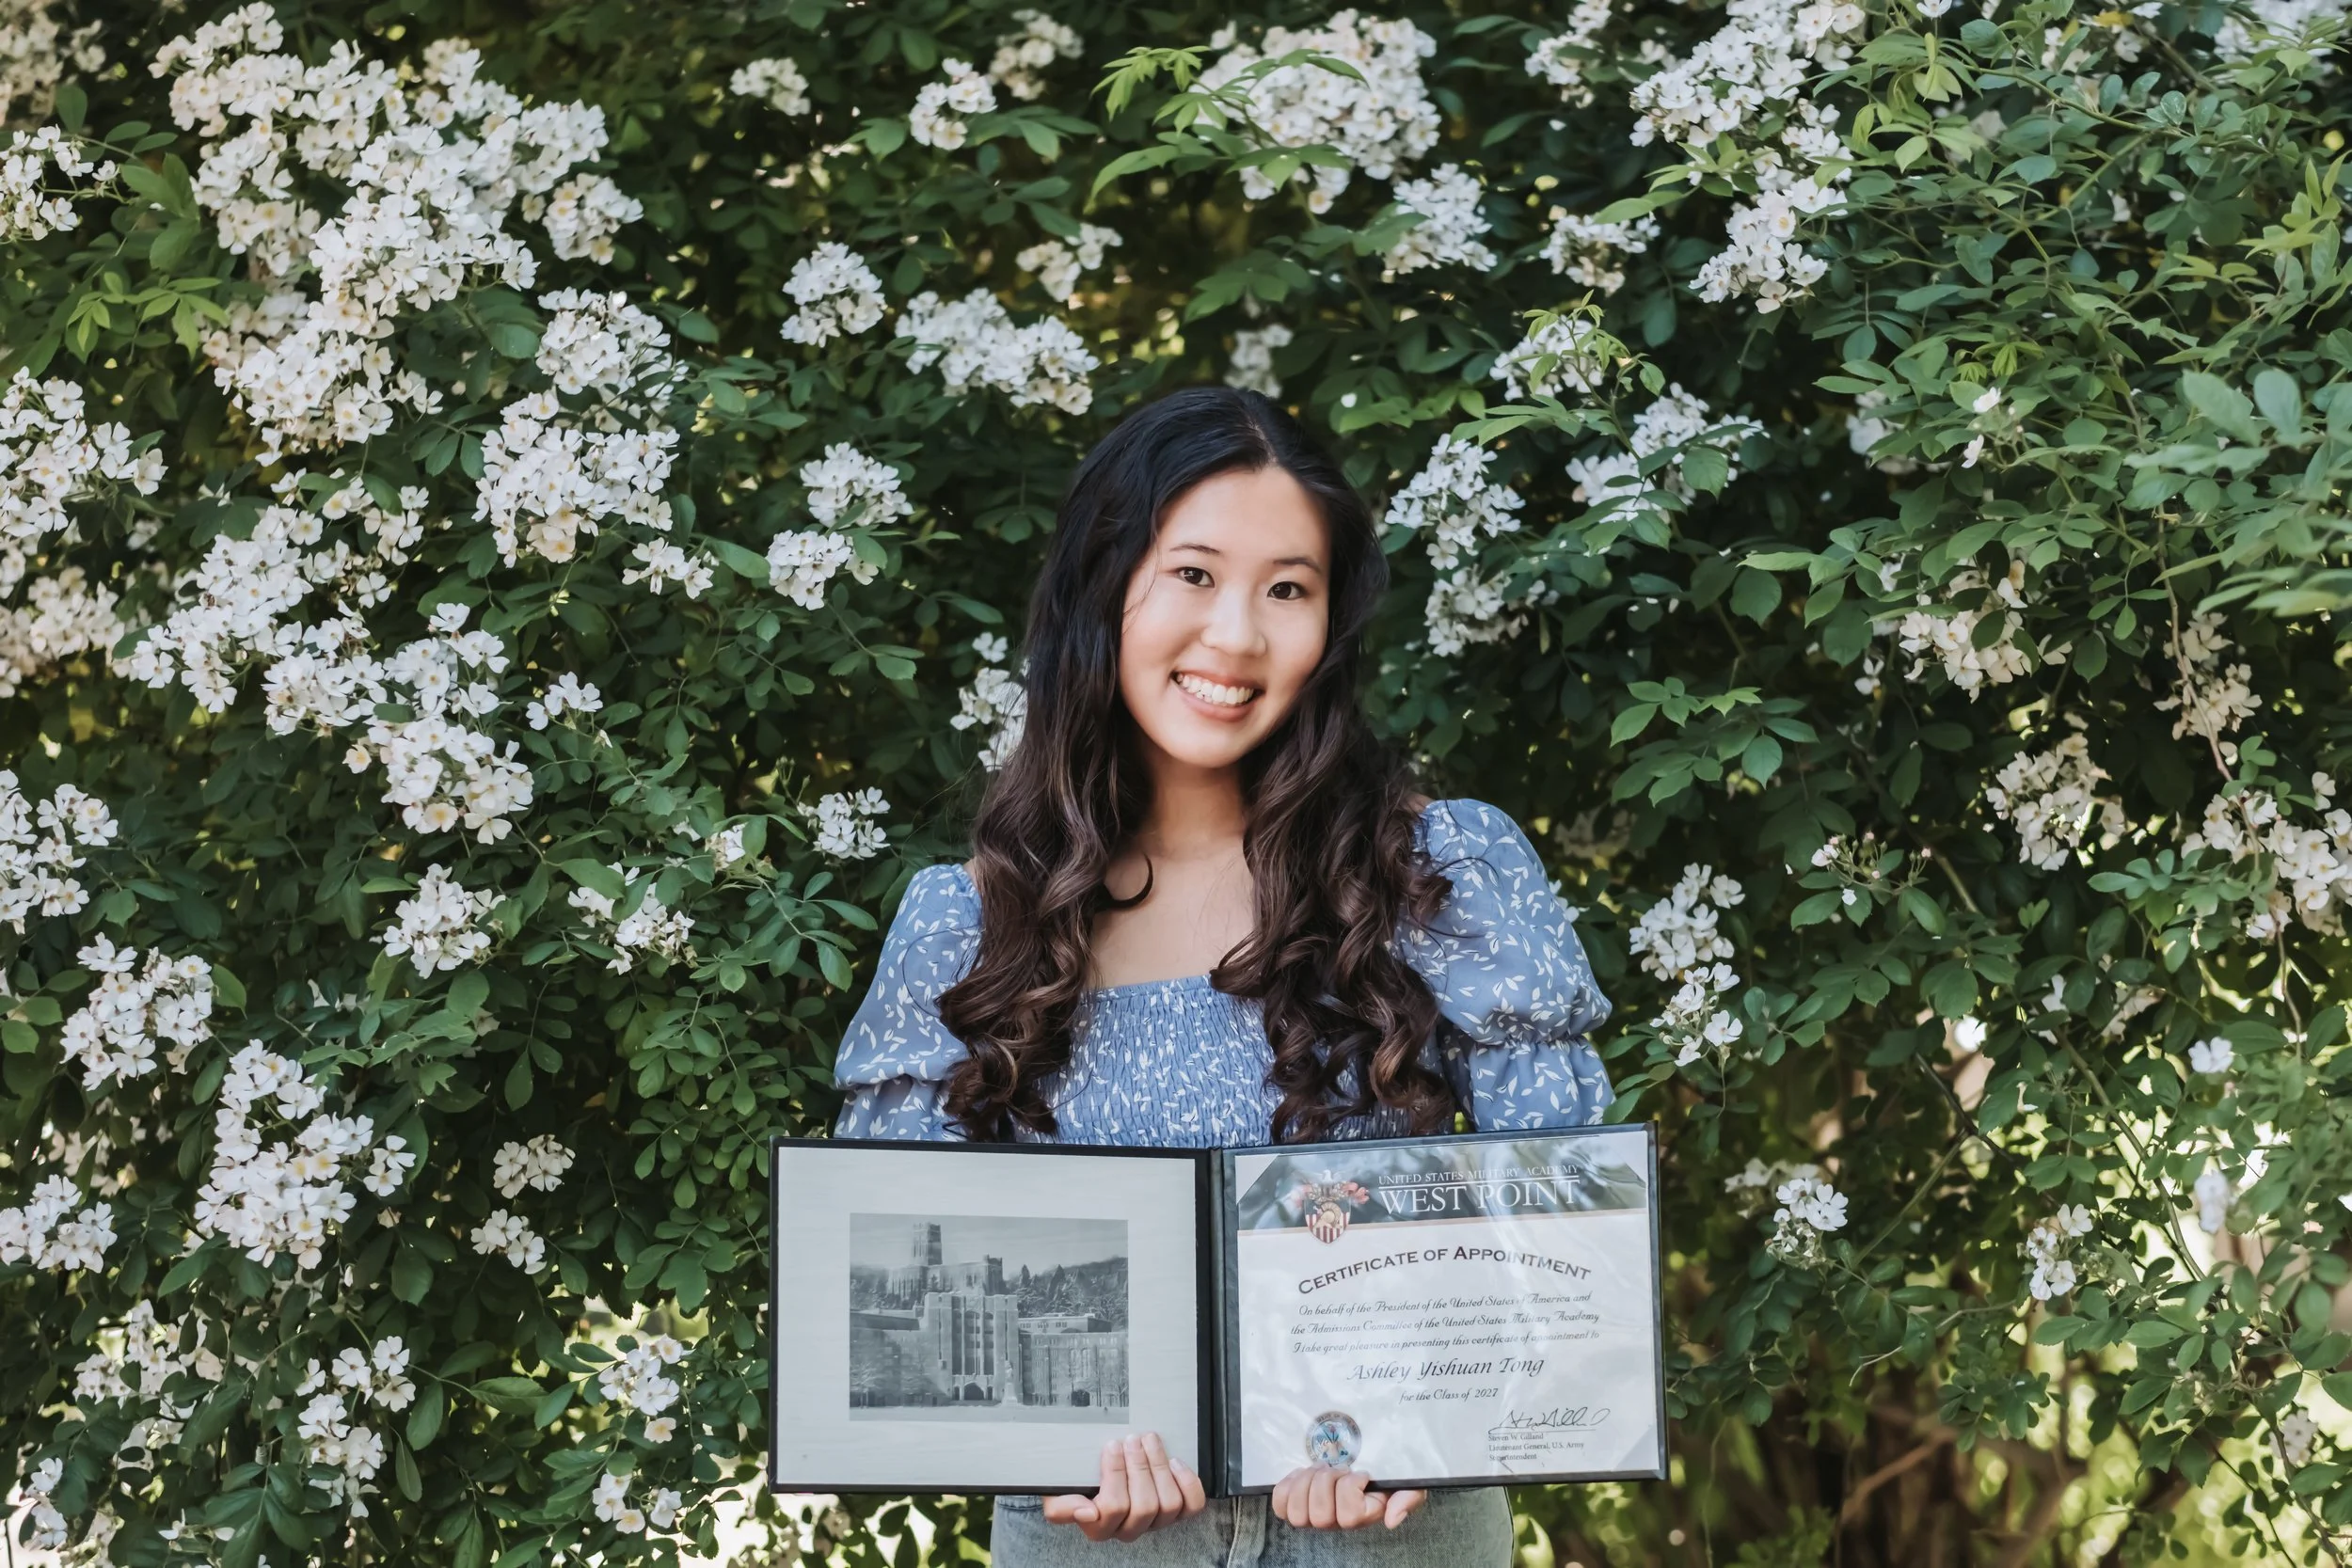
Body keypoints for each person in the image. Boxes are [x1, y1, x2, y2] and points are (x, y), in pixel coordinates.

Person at [831, 386, 1613, 1566]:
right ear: (1101, 586)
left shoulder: (1437, 871)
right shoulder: (967, 923)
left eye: (1287, 588)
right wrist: (1042, 1448)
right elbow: (897, 1290)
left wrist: (1442, 1415)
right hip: (1094, 1539)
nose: (1237, 635)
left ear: (1330, 623)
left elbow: (1567, 1228)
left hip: (1394, 1527)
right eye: (1192, 573)